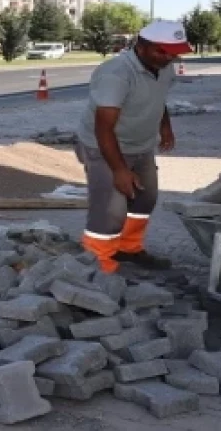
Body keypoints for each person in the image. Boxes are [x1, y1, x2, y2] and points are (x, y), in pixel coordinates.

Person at [76, 20, 192, 273]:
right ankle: (98, 265)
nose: (169, 58)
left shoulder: (164, 67)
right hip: (103, 146)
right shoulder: (115, 73)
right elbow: (103, 127)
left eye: (174, 52)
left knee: (144, 199)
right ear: (141, 47)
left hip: (141, 146)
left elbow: (158, 99)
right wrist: (119, 170)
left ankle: (128, 249)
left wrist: (165, 126)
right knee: (109, 210)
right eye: (162, 51)